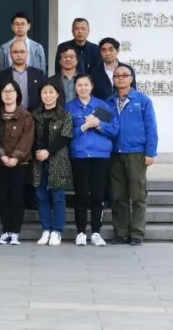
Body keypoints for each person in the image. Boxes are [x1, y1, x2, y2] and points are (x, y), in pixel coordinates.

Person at [66, 74, 119, 246]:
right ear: (75, 88)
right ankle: (81, 231)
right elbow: (66, 133)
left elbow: (114, 130)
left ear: (91, 86)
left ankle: (96, 231)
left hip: (100, 156)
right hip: (79, 156)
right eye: (79, 85)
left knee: (97, 195)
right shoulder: (69, 107)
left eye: (86, 85)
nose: (83, 88)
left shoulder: (102, 106)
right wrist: (84, 126)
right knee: (81, 195)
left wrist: (98, 124)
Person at [108, 64, 158, 246]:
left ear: (131, 78)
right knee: (118, 195)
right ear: (113, 79)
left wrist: (150, 151)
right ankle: (121, 233)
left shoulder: (142, 100)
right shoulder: (108, 101)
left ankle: (137, 233)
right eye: (117, 75)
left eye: (124, 75)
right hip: (115, 154)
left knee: (137, 195)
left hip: (136, 153)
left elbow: (151, 127)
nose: (120, 78)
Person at [32, 80, 73, 246]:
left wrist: (48, 151)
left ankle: (57, 231)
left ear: (57, 94)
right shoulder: (35, 115)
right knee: (41, 197)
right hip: (38, 161)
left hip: (58, 160)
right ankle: (46, 229)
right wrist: (38, 152)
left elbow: (66, 137)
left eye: (51, 92)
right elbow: (31, 137)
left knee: (58, 198)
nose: (48, 95)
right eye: (44, 92)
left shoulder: (65, 115)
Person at [0, 80, 34, 246]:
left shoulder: (25, 115)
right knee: (3, 198)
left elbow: (27, 138)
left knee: (17, 198)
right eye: (5, 91)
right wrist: (2, 156)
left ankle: (15, 232)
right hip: (1, 163)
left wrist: (16, 157)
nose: (8, 94)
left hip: (20, 165)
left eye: (11, 91)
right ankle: (6, 231)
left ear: (17, 94)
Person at [0, 39, 44, 112]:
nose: (19, 55)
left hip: (34, 115)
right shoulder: (2, 75)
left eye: (22, 51)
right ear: (10, 54)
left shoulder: (38, 74)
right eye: (15, 52)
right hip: (9, 115)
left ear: (27, 53)